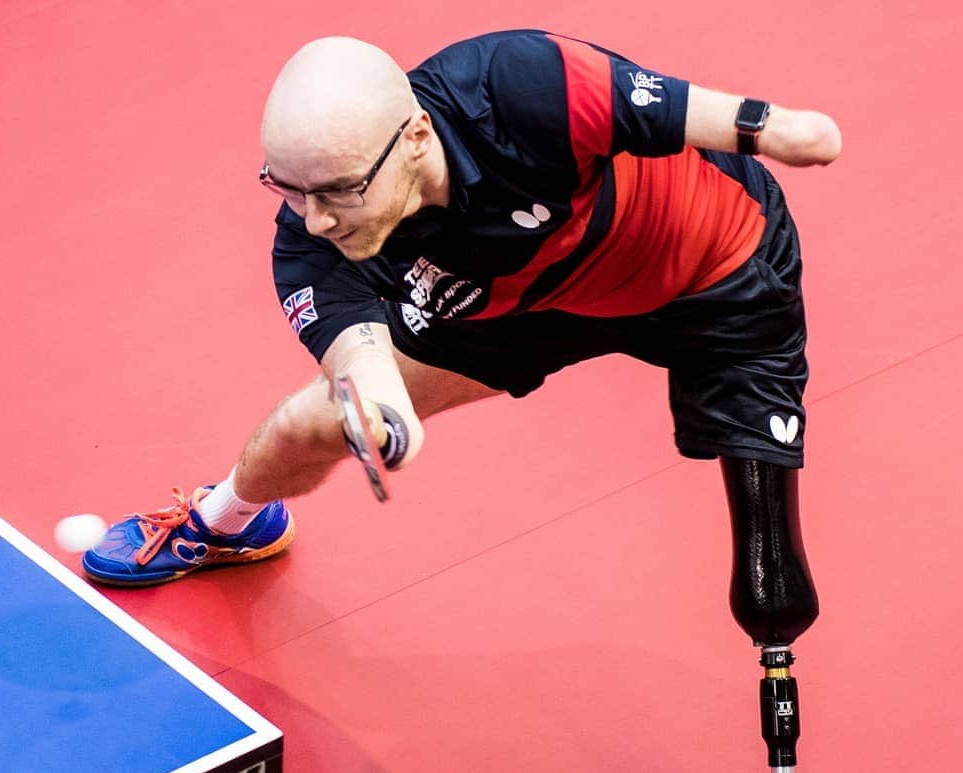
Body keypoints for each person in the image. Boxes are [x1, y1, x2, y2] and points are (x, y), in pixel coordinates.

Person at [81, 30, 841, 599]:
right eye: (288, 189)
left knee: (770, 574)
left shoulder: (520, 86)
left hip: (714, 268)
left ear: (414, 139)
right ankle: (225, 523)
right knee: (307, 425)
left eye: (339, 190)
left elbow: (732, 119)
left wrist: (789, 132)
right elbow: (361, 360)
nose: (316, 219)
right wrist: (378, 407)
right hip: (526, 302)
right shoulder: (314, 244)